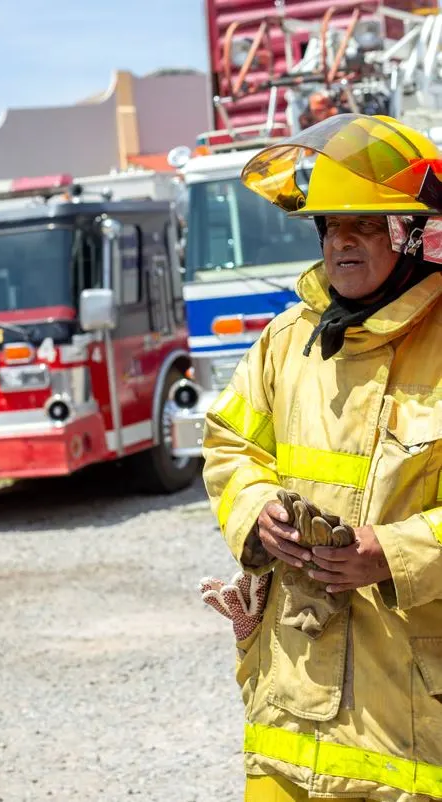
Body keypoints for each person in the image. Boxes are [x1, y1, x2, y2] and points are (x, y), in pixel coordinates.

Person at [200, 113, 442, 801]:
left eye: (364, 224)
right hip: (290, 705)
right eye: (330, 224)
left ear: (411, 234)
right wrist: (254, 513)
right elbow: (228, 443)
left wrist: (392, 554)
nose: (340, 240)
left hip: (412, 724)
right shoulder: (288, 338)